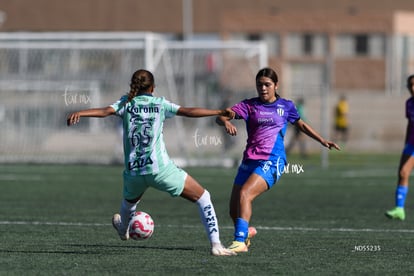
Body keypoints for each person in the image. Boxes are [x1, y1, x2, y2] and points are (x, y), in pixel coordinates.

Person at [67, 69, 236, 256]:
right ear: (153, 87)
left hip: (134, 172)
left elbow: (105, 111)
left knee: (129, 204)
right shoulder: (159, 103)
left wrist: (81, 112)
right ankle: (216, 245)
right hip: (160, 170)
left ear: (133, 86)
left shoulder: (126, 103)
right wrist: (218, 111)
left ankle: (123, 229)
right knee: (204, 198)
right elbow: (188, 111)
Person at [216, 67, 340, 253]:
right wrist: (225, 121)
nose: (263, 88)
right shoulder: (249, 105)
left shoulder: (286, 106)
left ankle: (240, 241)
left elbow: (301, 124)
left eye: (267, 84)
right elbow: (221, 116)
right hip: (249, 161)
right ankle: (246, 232)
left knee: (245, 194)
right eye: (259, 85)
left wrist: (322, 140)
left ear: (276, 85)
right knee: (233, 210)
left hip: (272, 161)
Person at [385, 74, 414, 221]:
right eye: (411, 85)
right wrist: (406, 142)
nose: (413, 88)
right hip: (411, 144)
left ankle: (399, 209)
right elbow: (410, 124)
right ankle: (399, 209)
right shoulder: (409, 103)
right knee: (401, 174)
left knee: (404, 172)